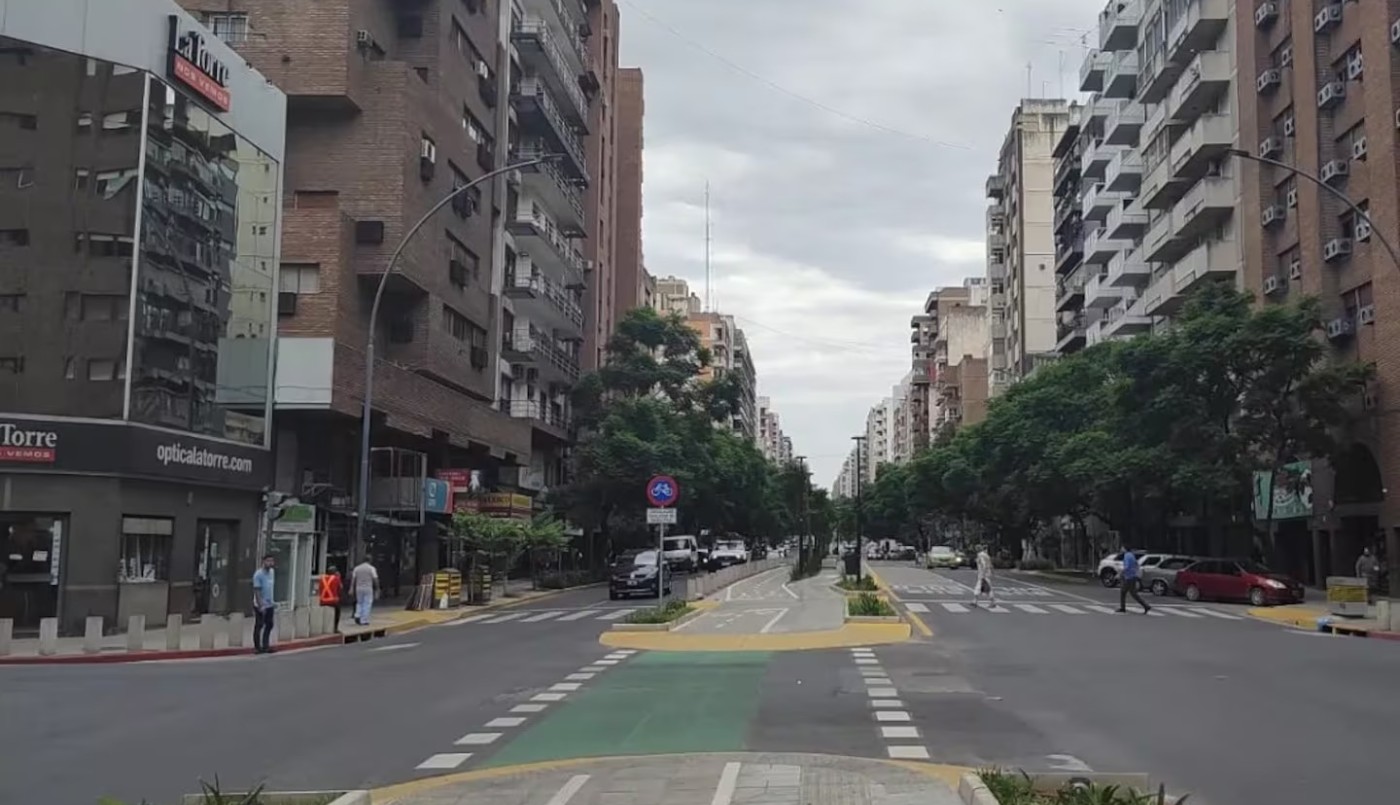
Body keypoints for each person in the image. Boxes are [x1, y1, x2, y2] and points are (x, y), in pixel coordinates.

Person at [251, 554, 277, 654]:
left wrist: (272, 602)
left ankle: (266, 645)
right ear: (263, 562)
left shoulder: (272, 572)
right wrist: (260, 605)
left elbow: (270, 588)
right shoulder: (258, 574)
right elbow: (257, 591)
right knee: (259, 625)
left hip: (269, 603)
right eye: (268, 561)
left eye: (271, 561)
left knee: (269, 624)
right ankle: (257, 647)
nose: (270, 563)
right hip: (260, 604)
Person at [1117, 548, 1151, 614]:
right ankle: (1145, 606)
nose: (1121, 549)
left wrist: (1122, 572)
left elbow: (1127, 566)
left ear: (1125, 549)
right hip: (1133, 576)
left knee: (1127, 592)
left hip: (1128, 577)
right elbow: (1136, 564)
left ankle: (1123, 608)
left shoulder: (1126, 556)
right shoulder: (1132, 555)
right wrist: (1135, 571)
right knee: (1130, 593)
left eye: (1122, 548)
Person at [351, 557, 379, 626]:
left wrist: (351, 588)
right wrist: (377, 588)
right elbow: (375, 579)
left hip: (358, 588)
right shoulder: (371, 568)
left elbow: (353, 579)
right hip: (368, 588)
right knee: (367, 603)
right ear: (369, 561)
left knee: (359, 602)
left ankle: (357, 614)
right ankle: (364, 620)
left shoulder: (357, 568)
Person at [318, 565, 344, 633]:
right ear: (335, 572)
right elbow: (340, 589)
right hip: (333, 601)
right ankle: (335, 628)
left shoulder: (322, 578)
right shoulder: (336, 578)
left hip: (322, 601)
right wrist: (339, 577)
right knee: (338, 612)